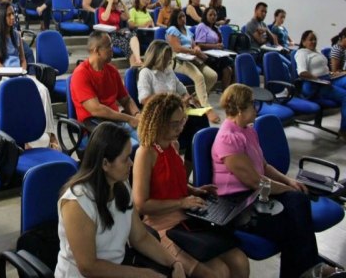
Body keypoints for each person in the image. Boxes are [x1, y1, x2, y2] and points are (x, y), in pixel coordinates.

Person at [213, 84, 334, 278]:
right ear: (238, 109)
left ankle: (305, 270)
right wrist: (287, 189)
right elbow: (255, 181)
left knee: (299, 202)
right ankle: (308, 269)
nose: (256, 108)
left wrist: (289, 182)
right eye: (253, 105)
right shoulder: (228, 139)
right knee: (293, 220)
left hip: (257, 195)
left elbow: (265, 166)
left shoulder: (248, 130)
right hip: (238, 204)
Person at [133, 93, 249, 278]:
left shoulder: (173, 145)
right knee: (217, 273)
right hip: (161, 226)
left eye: (182, 121)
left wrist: (194, 190)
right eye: (174, 123)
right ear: (158, 122)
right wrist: (182, 203)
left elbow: (171, 182)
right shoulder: (145, 153)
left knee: (240, 261)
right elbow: (141, 204)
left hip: (186, 217)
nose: (180, 127)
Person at [56, 121, 186, 278]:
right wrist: (143, 275)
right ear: (105, 164)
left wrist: (174, 263)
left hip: (115, 270)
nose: (131, 163)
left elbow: (140, 237)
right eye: (125, 159)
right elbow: (88, 267)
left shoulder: (120, 184)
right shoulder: (76, 202)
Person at [0, 2, 58, 148]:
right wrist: (13, 74)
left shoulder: (16, 35)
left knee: (43, 90)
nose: (13, 17)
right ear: (1, 16)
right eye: (9, 14)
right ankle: (26, 140)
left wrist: (23, 71)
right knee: (20, 95)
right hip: (3, 77)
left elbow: (23, 59)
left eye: (14, 14)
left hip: (20, 74)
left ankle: (49, 134)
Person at [137, 41, 208, 170]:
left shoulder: (168, 71)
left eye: (169, 59)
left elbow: (183, 91)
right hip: (160, 116)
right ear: (156, 57)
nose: (167, 62)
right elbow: (145, 99)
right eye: (165, 59)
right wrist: (172, 100)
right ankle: (186, 168)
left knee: (201, 121)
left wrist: (188, 100)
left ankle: (189, 165)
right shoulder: (146, 73)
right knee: (197, 125)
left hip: (176, 113)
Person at [70, 31, 142, 142]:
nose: (112, 49)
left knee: (150, 141)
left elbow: (126, 100)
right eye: (109, 46)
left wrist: (137, 115)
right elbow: (97, 110)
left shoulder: (112, 70)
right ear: (97, 51)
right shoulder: (80, 74)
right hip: (95, 129)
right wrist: (128, 118)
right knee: (131, 147)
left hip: (116, 123)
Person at [166, 9, 220, 124]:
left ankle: (195, 99)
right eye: (180, 17)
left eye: (184, 17)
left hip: (192, 58)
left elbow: (194, 45)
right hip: (178, 60)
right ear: (175, 19)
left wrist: (197, 49)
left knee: (213, 75)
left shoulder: (188, 30)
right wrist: (192, 51)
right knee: (199, 77)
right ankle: (207, 109)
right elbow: (177, 48)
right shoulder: (172, 30)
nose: (183, 19)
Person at [295, 30, 346, 141]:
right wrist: (318, 79)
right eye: (310, 39)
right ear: (303, 42)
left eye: (315, 39)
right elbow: (302, 72)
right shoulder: (302, 53)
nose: (313, 41)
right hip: (316, 85)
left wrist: (333, 74)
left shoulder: (317, 51)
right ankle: (344, 130)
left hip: (328, 79)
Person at [97, 0, 142, 67]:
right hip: (108, 35)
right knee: (127, 43)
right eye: (113, 4)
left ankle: (138, 59)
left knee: (133, 35)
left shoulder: (116, 11)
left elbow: (128, 17)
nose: (115, 5)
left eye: (116, 3)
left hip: (119, 33)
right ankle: (134, 64)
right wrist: (110, 2)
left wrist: (123, 4)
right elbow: (105, 18)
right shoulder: (102, 9)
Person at [195, 8, 233, 90]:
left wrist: (220, 46)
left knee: (230, 67)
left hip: (217, 54)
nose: (213, 17)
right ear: (205, 16)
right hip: (206, 55)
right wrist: (215, 46)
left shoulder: (215, 27)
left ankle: (229, 93)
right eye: (210, 15)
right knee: (228, 66)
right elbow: (199, 44)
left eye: (215, 15)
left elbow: (219, 42)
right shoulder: (202, 26)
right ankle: (226, 93)